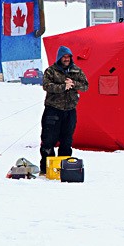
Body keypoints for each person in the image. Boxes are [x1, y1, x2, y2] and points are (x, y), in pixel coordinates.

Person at [39, 46, 89, 174]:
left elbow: (85, 86)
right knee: (48, 140)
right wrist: (63, 87)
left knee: (67, 140)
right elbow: (46, 85)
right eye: (64, 57)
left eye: (68, 57)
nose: (66, 59)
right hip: (53, 110)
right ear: (59, 58)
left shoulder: (76, 71)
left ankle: (64, 169)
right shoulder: (50, 71)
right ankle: (46, 169)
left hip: (70, 111)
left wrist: (73, 84)